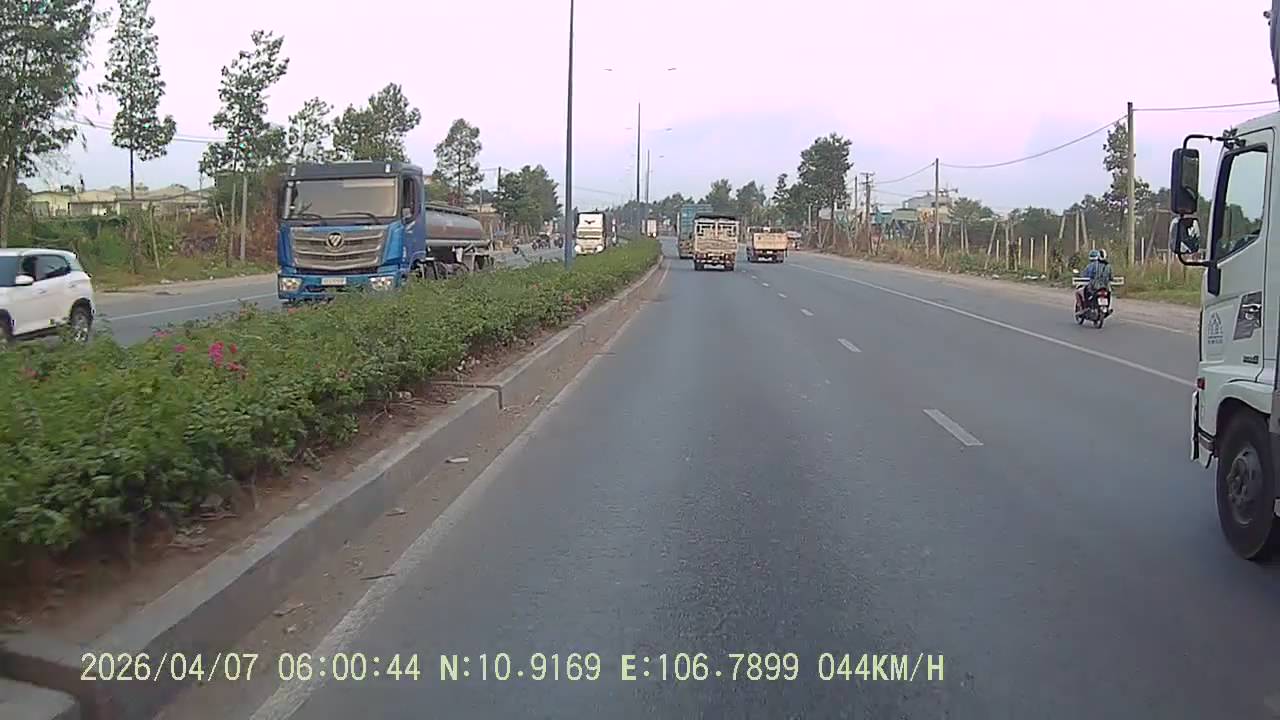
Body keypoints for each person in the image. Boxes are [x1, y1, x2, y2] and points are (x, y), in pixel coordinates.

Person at [1076, 249, 1113, 314]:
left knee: (1086, 292)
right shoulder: (1109, 266)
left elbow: (1088, 275)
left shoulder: (1094, 265)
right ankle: (1107, 308)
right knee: (1109, 293)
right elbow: (1111, 277)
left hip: (1095, 286)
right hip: (1106, 287)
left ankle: (1087, 307)